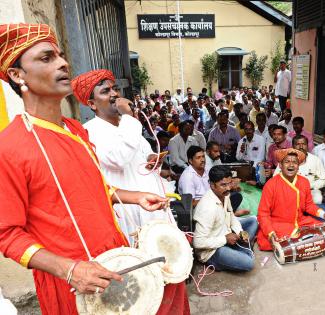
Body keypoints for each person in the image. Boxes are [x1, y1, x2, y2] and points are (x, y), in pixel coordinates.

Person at [0, 23, 189, 314]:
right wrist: (71, 269)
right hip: (74, 280)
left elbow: (92, 188)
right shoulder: (9, 147)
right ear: (16, 75)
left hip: (116, 256)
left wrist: (134, 196)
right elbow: (7, 234)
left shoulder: (76, 130)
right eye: (47, 58)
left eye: (61, 56)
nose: (63, 63)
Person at [75, 69, 173, 241]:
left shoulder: (126, 124)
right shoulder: (90, 131)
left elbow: (140, 152)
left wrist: (151, 159)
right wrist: (129, 116)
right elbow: (119, 159)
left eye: (115, 89)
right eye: (106, 91)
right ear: (92, 104)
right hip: (127, 210)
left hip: (151, 204)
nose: (114, 94)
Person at [257, 148, 325, 250]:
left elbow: (309, 206)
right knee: (274, 240)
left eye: (295, 162)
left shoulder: (304, 182)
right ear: (280, 165)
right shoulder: (271, 184)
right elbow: (263, 214)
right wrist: (270, 232)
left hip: (301, 221)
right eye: (287, 162)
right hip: (279, 223)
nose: (291, 165)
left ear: (299, 166)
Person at [193, 166, 258, 271]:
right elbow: (198, 242)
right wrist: (225, 239)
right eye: (223, 185)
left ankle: (239, 248)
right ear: (212, 185)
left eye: (229, 183)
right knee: (249, 263)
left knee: (253, 221)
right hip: (213, 250)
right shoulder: (207, 208)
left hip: (226, 233)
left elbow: (231, 217)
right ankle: (237, 252)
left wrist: (240, 233)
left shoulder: (225, 195)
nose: (228, 188)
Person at [283, 135, 325, 204]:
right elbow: (276, 176)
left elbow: (324, 179)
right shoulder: (285, 159)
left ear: (307, 145)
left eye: (303, 144)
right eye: (298, 144)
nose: (301, 147)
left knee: (317, 198)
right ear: (293, 146)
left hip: (310, 189)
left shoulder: (315, 160)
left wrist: (309, 186)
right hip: (289, 189)